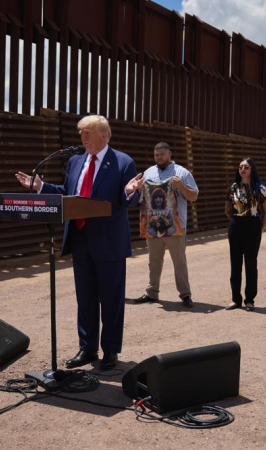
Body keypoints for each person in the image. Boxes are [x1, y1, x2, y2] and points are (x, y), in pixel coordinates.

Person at [15, 115, 143, 370]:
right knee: (85, 298)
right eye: (81, 133)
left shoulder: (122, 162)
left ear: (103, 135)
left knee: (111, 300)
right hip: (81, 239)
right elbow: (68, 193)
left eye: (87, 133)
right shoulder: (75, 162)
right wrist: (41, 187)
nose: (82, 138)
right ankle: (87, 349)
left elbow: (127, 199)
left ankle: (110, 350)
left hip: (109, 243)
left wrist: (130, 192)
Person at [133, 142, 199, 307]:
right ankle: (152, 293)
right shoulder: (148, 173)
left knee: (179, 262)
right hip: (153, 225)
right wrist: (138, 188)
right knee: (154, 261)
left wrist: (181, 186)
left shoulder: (182, 173)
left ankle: (185, 295)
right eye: (156, 155)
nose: (159, 157)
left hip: (175, 227)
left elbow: (194, 197)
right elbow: (141, 198)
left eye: (162, 154)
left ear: (169, 154)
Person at [224, 158, 266, 312]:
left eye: (246, 167)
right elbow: (227, 209)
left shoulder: (260, 188)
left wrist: (260, 229)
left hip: (253, 226)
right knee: (235, 264)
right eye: (240, 167)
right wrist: (235, 222)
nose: (243, 169)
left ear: (252, 169)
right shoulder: (233, 187)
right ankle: (235, 299)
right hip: (236, 225)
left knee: (251, 264)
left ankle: (249, 300)